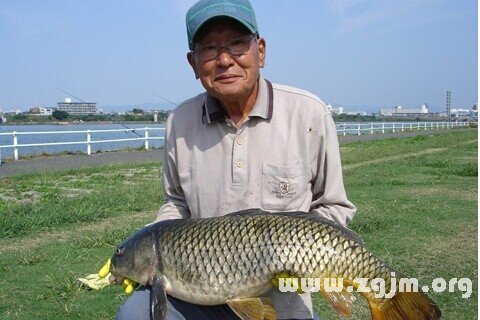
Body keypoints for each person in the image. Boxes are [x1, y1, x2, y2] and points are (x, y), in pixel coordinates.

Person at [116, 0, 356, 319]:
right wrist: (157, 249)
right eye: (210, 48)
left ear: (261, 50)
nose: (225, 60)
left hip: (283, 296)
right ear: (193, 62)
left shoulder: (308, 113)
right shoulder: (179, 122)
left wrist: (303, 259)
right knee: (135, 314)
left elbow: (334, 206)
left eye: (237, 44)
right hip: (198, 293)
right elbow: (176, 203)